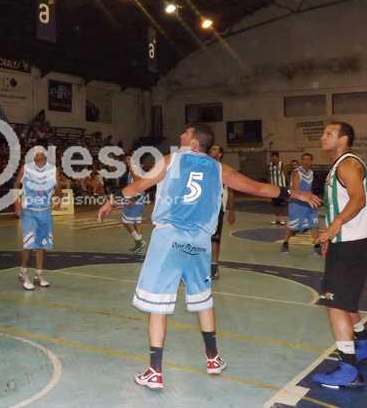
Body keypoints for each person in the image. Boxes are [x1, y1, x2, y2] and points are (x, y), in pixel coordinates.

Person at [98, 124, 320, 390]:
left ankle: (155, 371)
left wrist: (113, 200)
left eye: (185, 133)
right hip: (199, 242)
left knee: (158, 306)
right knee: (203, 301)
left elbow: (140, 185)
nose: (180, 135)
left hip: (169, 238)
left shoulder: (171, 160)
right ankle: (213, 359)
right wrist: (296, 193)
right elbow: (257, 188)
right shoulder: (219, 168)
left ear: (194, 143)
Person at [312, 122, 367, 389]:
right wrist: (330, 234)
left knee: (335, 302)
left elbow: (357, 199)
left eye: (328, 134)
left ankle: (348, 369)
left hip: (353, 242)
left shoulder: (348, 164)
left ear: (343, 139)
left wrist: (337, 223)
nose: (322, 137)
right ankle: (364, 343)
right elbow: (338, 203)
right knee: (345, 298)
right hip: (346, 241)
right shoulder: (339, 165)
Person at [14, 146, 62, 290]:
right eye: (36, 155)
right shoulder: (26, 168)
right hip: (29, 211)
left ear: (45, 156)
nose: (38, 157)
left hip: (45, 212)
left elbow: (58, 187)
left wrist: (58, 199)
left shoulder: (53, 170)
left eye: (40, 155)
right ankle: (23, 273)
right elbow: (16, 185)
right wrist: (16, 204)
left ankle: (38, 275)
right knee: (29, 244)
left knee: (42, 245)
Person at [281, 153, 321, 255]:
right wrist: (303, 197)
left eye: (308, 159)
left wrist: (312, 198)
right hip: (297, 203)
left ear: (311, 161)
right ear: (301, 161)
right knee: (292, 226)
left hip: (309, 202)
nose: (306, 161)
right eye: (304, 159)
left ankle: (317, 246)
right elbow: (295, 190)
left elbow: (309, 188)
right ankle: (285, 243)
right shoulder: (297, 172)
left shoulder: (311, 172)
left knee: (314, 223)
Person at [208, 145, 235, 279]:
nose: (211, 151)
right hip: (202, 208)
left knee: (215, 238)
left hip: (217, 208)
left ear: (220, 154)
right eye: (211, 149)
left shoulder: (225, 170)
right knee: (198, 238)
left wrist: (231, 211)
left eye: (215, 149)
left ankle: (214, 267)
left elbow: (231, 191)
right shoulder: (203, 167)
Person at [120, 152, 148, 255]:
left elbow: (139, 184)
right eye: (126, 160)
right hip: (139, 197)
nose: (127, 161)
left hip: (136, 198)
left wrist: (133, 199)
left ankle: (139, 241)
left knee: (125, 221)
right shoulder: (137, 169)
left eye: (129, 159)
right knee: (137, 221)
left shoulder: (134, 170)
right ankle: (139, 244)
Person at [268, 151, 287, 225]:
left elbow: (286, 175)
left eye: (275, 158)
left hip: (281, 187)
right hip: (273, 188)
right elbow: (269, 176)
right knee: (274, 204)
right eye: (272, 158)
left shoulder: (282, 165)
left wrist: (287, 186)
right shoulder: (270, 165)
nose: (274, 159)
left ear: (278, 158)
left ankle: (282, 218)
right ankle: (276, 218)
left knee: (282, 204)